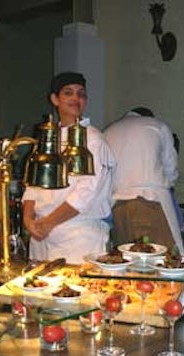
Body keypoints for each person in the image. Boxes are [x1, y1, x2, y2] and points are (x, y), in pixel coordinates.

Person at [22, 72, 115, 263]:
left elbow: (87, 192)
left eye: (81, 94)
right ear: (55, 99)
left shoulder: (93, 139)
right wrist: (28, 220)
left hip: (78, 236)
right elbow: (32, 186)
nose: (76, 98)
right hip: (40, 234)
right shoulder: (46, 138)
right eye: (68, 93)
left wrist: (48, 223)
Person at [103, 106, 184, 256]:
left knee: (128, 263)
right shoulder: (157, 125)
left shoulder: (108, 131)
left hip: (117, 207)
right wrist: (169, 186)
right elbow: (171, 169)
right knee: (165, 260)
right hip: (151, 203)